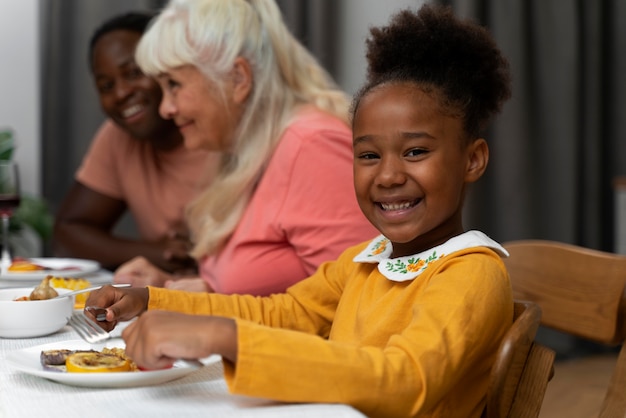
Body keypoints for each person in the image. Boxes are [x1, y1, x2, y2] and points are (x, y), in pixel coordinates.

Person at [86, 3, 513, 417]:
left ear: (472, 159)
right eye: (367, 156)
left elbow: (404, 382)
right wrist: (152, 299)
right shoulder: (365, 262)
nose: (387, 176)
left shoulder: (470, 273)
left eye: (415, 151)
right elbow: (283, 313)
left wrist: (224, 337)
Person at [112, 0, 378, 295]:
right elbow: (265, 289)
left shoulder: (311, 147)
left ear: (239, 78)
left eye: (173, 84)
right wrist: (175, 289)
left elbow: (356, 304)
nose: (165, 108)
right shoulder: (252, 149)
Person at [53, 11, 216, 274]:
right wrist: (160, 252)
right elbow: (69, 231)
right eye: (106, 86)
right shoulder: (117, 136)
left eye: (133, 73)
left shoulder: (221, 127)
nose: (121, 93)